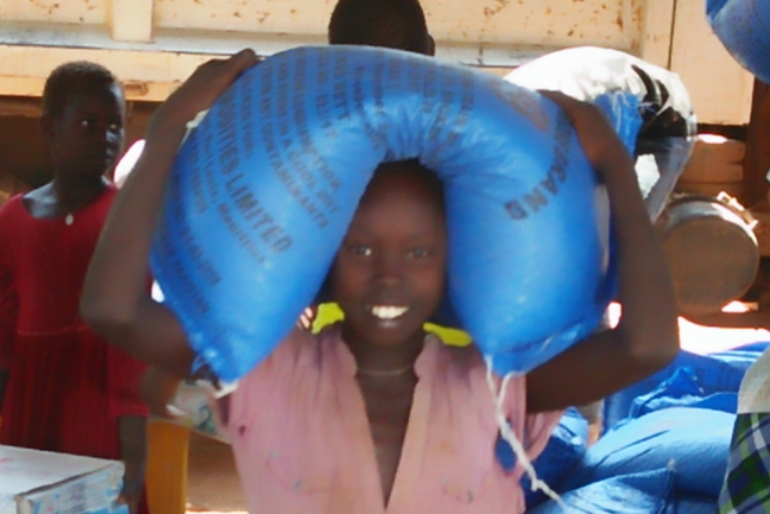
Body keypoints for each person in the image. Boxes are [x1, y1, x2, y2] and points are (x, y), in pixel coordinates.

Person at [80, 49, 679, 513]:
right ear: (324, 261)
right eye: (360, 248)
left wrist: (616, 175)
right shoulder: (264, 373)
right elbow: (113, 310)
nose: (389, 276)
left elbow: (648, 344)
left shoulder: (495, 391)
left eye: (418, 251)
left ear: (452, 264)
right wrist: (170, 126)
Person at [0, 61, 148, 514]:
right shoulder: (11, 222)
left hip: (102, 406)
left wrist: (135, 450)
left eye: (114, 126)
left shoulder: (128, 217)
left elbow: (132, 339)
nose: (105, 138)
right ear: (49, 127)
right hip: (30, 406)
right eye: (89, 124)